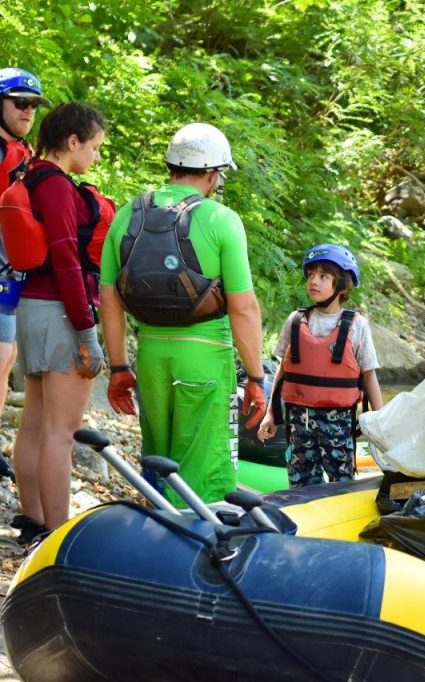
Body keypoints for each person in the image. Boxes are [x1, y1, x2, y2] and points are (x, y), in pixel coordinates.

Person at [100, 122, 266, 506]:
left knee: (158, 459)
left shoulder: (126, 214)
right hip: (205, 359)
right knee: (202, 470)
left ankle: (152, 539)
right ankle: (197, 548)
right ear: (212, 173)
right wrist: (256, 376)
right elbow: (243, 308)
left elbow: (108, 299)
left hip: (152, 359)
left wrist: (119, 368)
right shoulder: (222, 220)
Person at [11, 103, 106, 543]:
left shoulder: (29, 174)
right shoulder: (56, 186)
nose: (96, 158)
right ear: (73, 142)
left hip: (31, 306)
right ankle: (56, 534)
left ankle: (31, 521)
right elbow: (67, 258)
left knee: (34, 424)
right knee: (59, 433)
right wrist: (87, 331)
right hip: (59, 312)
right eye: (95, 148)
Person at [257, 244, 383, 487]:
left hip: (337, 422)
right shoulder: (295, 321)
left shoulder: (357, 326)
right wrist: (270, 413)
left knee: (342, 481)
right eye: (311, 275)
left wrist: (379, 422)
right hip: (298, 421)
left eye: (323, 276)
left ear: (343, 285)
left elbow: (369, 376)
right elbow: (283, 372)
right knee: (300, 483)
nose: (314, 281)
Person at [0, 69, 50, 426]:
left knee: (7, 358)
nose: (28, 111)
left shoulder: (23, 151)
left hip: (15, 273)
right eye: (19, 103)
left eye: (33, 105)